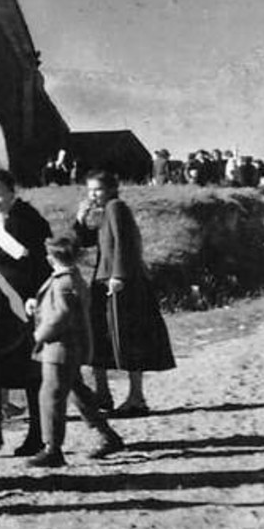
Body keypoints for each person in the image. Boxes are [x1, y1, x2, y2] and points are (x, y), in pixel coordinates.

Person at [72, 171, 175, 415]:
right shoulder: (104, 212)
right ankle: (103, 393)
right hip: (103, 280)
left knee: (128, 338)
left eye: (97, 190)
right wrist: (80, 218)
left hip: (119, 282)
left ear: (111, 189)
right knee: (99, 337)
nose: (92, 195)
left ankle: (136, 397)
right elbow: (83, 241)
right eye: (89, 190)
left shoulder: (116, 208)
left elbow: (125, 243)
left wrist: (119, 275)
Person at [24, 237, 124, 467]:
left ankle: (53, 448)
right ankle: (107, 435)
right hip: (68, 348)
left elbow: (62, 315)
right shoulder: (70, 278)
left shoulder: (64, 282)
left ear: (51, 258)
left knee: (50, 396)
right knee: (77, 393)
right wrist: (36, 306)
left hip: (59, 348)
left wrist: (40, 334)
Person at [0, 170, 52, 457]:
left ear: (12, 192)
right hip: (3, 306)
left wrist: (37, 296)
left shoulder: (30, 220)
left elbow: (43, 263)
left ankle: (38, 435)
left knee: (33, 373)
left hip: (30, 304)